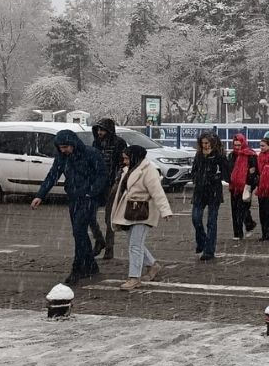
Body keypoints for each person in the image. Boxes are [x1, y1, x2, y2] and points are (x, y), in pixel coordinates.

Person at [31, 130, 108, 284]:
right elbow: (53, 175)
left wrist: (91, 192)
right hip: (74, 197)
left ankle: (77, 269)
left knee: (79, 232)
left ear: (73, 144)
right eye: (60, 147)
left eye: (65, 147)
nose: (63, 150)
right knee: (79, 233)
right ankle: (90, 265)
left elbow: (102, 175)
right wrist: (40, 195)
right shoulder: (62, 157)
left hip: (88, 199)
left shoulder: (91, 153)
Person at [111, 145, 173, 290]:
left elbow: (158, 192)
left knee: (134, 245)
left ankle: (134, 277)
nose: (124, 161)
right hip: (130, 210)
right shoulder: (129, 169)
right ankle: (152, 265)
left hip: (143, 211)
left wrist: (165, 211)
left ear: (134, 157)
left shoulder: (149, 171)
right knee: (134, 243)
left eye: (127, 158)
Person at [88, 118, 127, 260]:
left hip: (112, 184)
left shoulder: (119, 143)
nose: (99, 132)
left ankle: (109, 247)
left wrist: (118, 180)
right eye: (98, 129)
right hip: (97, 183)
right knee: (89, 213)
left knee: (109, 217)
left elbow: (123, 163)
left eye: (102, 129)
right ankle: (99, 240)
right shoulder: (95, 143)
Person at [190, 132, 229, 261]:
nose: (205, 146)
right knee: (196, 219)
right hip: (199, 192)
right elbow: (194, 170)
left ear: (212, 143)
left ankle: (209, 250)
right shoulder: (199, 155)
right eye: (203, 143)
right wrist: (197, 178)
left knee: (211, 222)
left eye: (207, 143)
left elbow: (226, 174)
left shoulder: (219, 156)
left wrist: (215, 176)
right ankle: (201, 241)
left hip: (213, 192)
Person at [227, 133, 258, 239]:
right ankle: (238, 232)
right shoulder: (231, 155)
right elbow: (229, 169)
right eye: (235, 145)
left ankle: (248, 225)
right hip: (234, 186)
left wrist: (249, 184)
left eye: (239, 145)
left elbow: (254, 171)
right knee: (234, 209)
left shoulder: (250, 155)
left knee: (242, 208)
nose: (237, 147)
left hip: (246, 186)